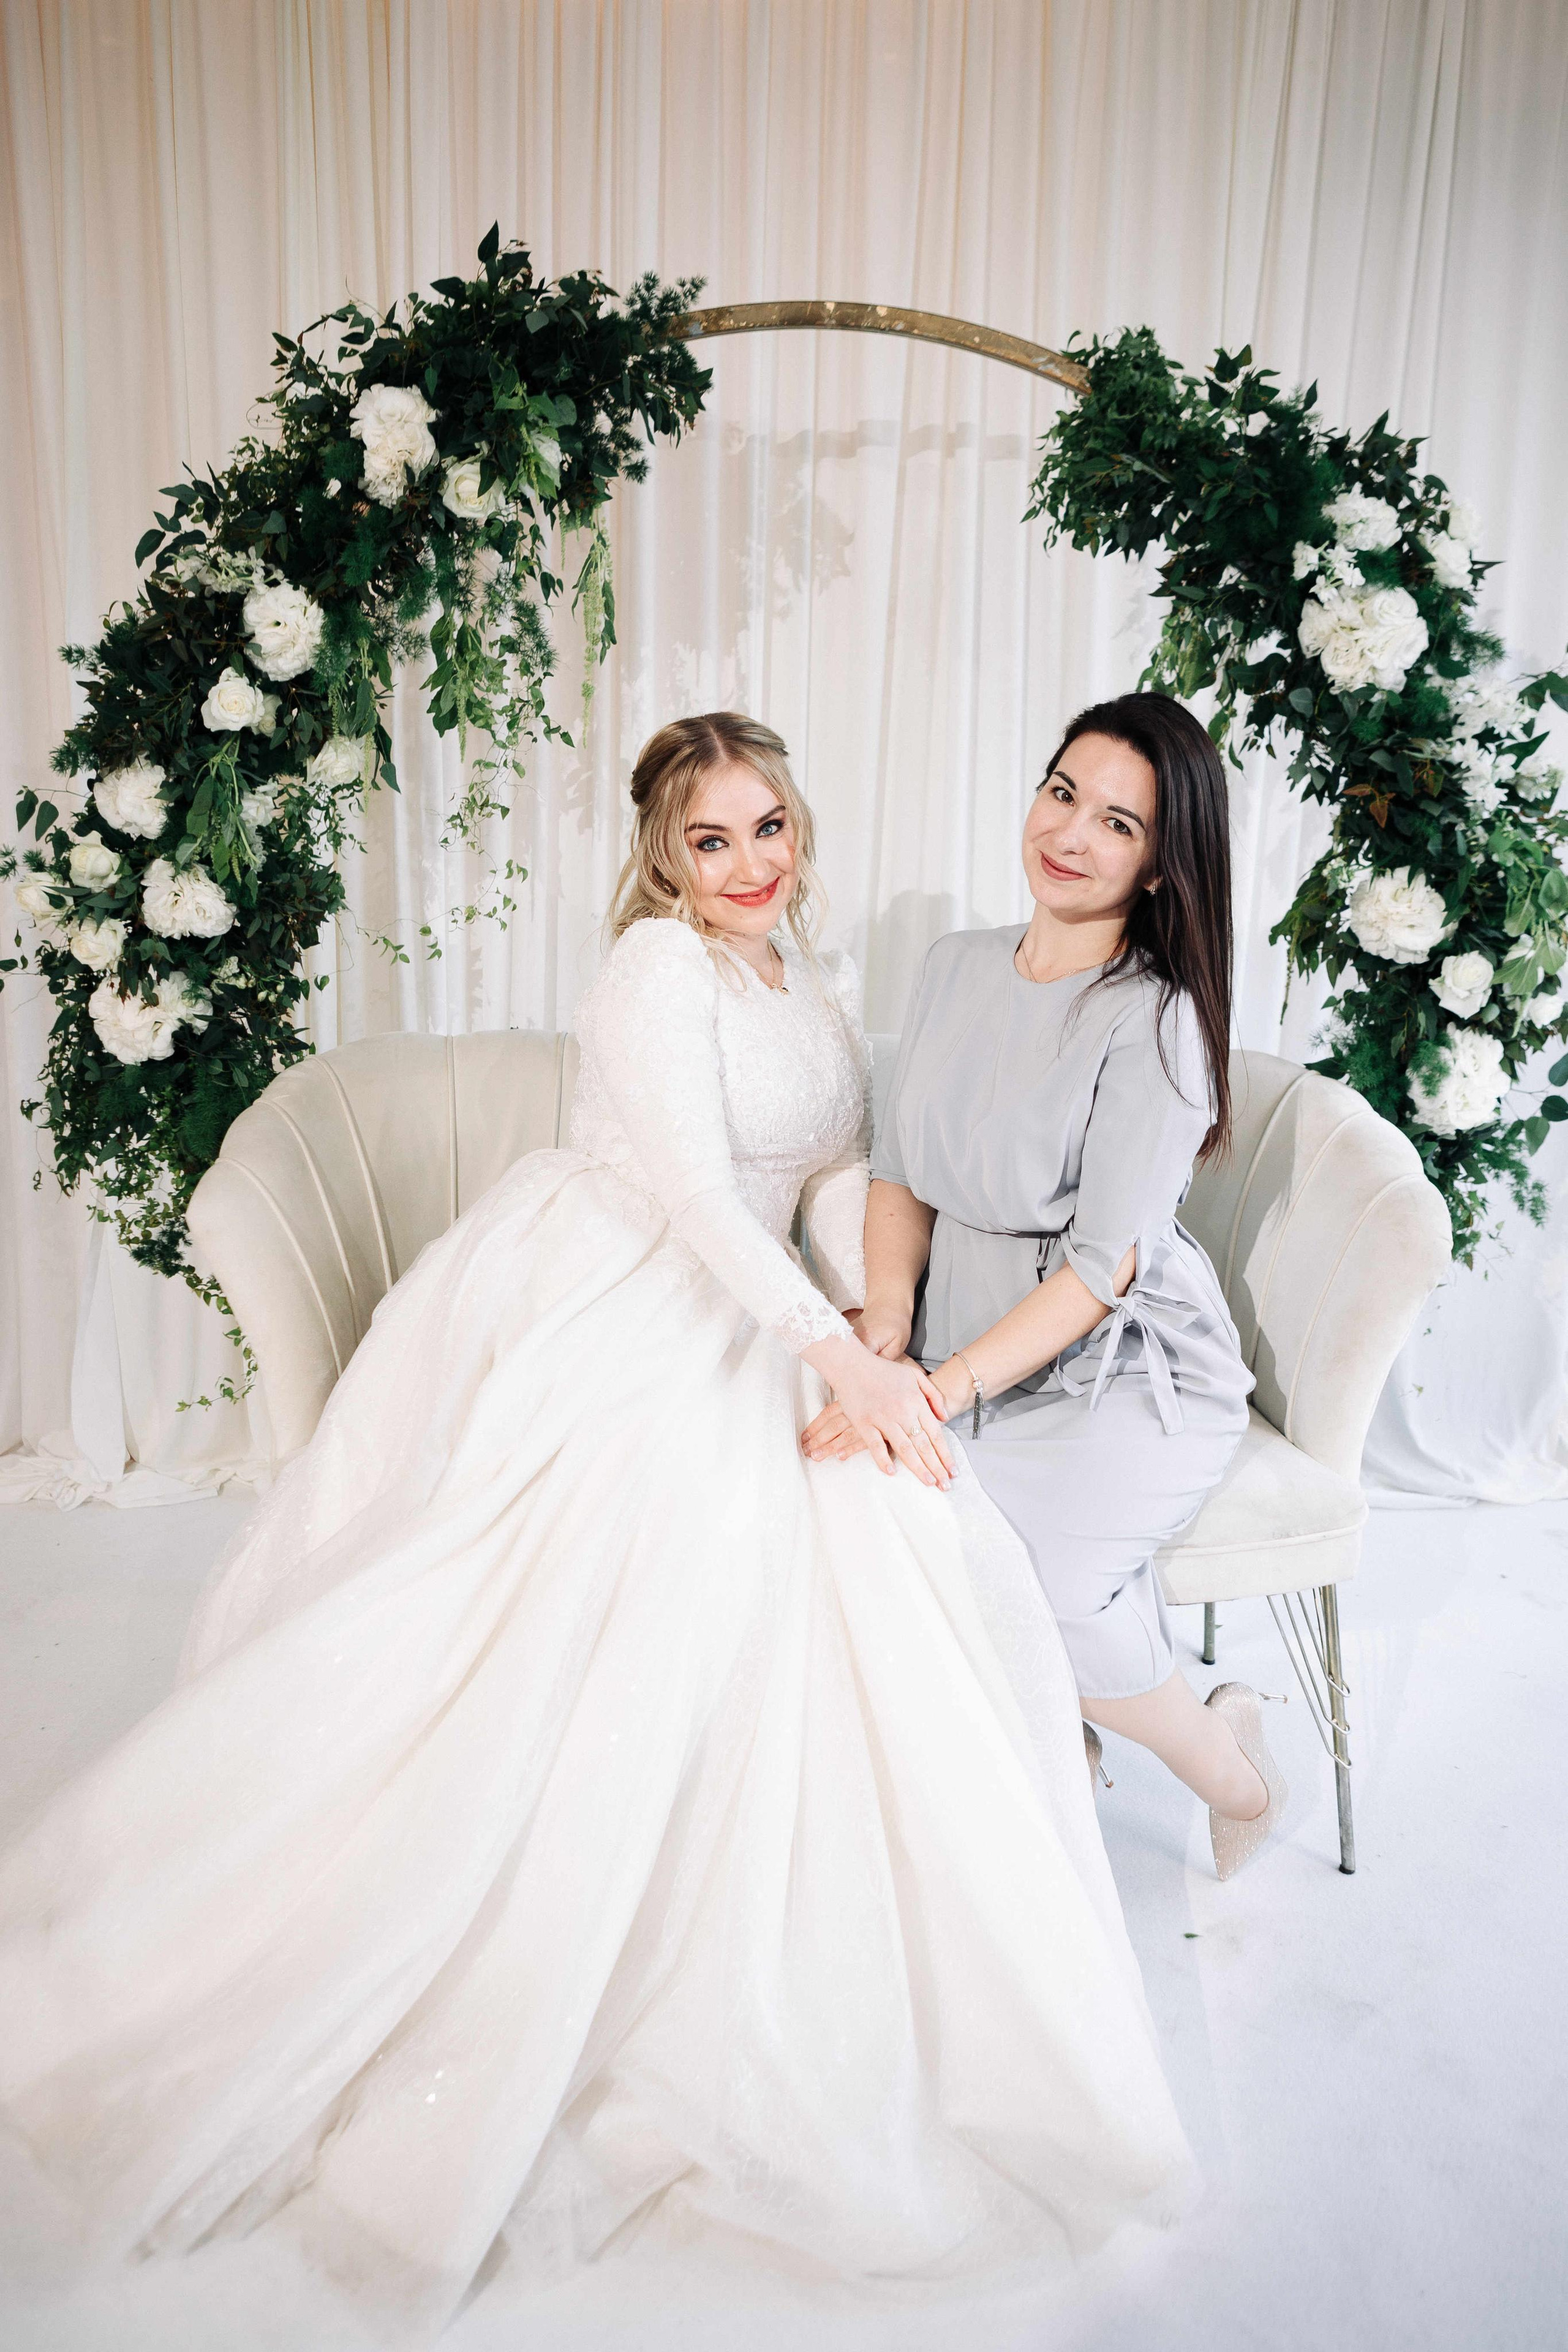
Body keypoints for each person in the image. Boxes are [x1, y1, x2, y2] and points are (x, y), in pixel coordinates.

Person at [0, 713, 1189, 2342]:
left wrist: (874, 1317)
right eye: (713, 842)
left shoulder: (798, 972)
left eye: (769, 826)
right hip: (624, 1296)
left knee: (871, 1527)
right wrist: (840, 1349)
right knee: (634, 1574)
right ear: (660, 858)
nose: (751, 864)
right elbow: (703, 1204)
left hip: (760, 1307)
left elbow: (838, 1163)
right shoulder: (659, 977)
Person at [802, 692, 1286, 1880]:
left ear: (1163, 868)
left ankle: (1233, 1770)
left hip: (1117, 1362)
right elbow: (901, 1172)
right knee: (857, 1505)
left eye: (1117, 823)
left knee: (1050, 1581)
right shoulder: (952, 966)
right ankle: (1046, 1747)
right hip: (963, 1329)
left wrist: (938, 1392)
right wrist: (881, 1335)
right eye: (1062, 792)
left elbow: (1097, 1269)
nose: (1069, 834)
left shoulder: (1154, 1021)